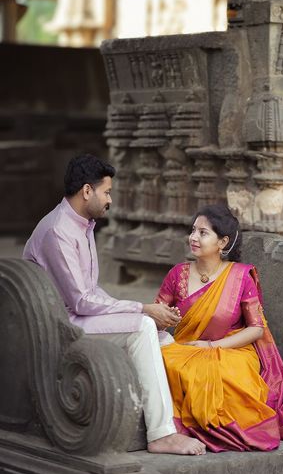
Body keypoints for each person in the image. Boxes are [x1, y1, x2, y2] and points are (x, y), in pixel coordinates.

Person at [23, 154, 206, 456]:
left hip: (79, 315)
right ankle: (161, 434)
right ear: (86, 191)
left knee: (164, 337)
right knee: (143, 326)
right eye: (106, 192)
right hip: (61, 325)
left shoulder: (84, 223)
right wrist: (143, 309)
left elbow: (92, 291)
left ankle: (184, 419)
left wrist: (141, 309)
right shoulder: (58, 231)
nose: (110, 199)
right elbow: (81, 301)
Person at [156, 204, 283, 452]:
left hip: (232, 351)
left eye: (203, 233)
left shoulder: (240, 276)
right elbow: (156, 315)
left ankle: (217, 426)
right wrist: (164, 317)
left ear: (222, 242)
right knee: (163, 358)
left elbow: (256, 329)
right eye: (193, 230)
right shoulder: (177, 275)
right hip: (186, 349)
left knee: (214, 369)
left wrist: (212, 346)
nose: (193, 237)